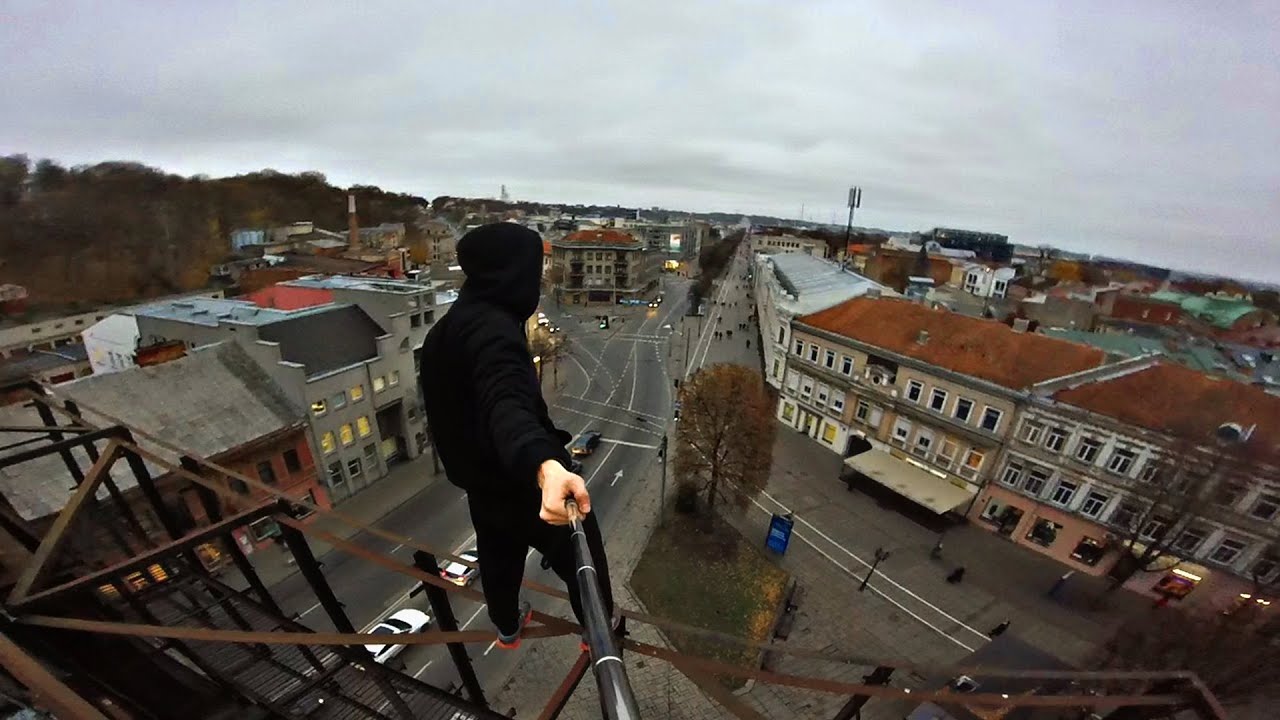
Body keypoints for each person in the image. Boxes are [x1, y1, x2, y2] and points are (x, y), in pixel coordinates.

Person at [420, 223, 614, 650]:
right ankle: (599, 634)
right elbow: (505, 401)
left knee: (497, 559)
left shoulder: (442, 333)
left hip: (481, 487)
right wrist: (545, 467)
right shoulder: (494, 330)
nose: (538, 283)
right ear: (512, 275)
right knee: (583, 555)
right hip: (524, 481)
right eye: (534, 272)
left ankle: (507, 627)